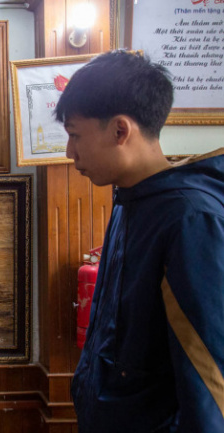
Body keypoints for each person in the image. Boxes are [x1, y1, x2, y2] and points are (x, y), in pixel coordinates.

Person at [54, 49, 224, 432]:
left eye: (76, 136)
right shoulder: (131, 201)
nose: (70, 153)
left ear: (119, 130)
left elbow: (208, 376)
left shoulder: (189, 218)